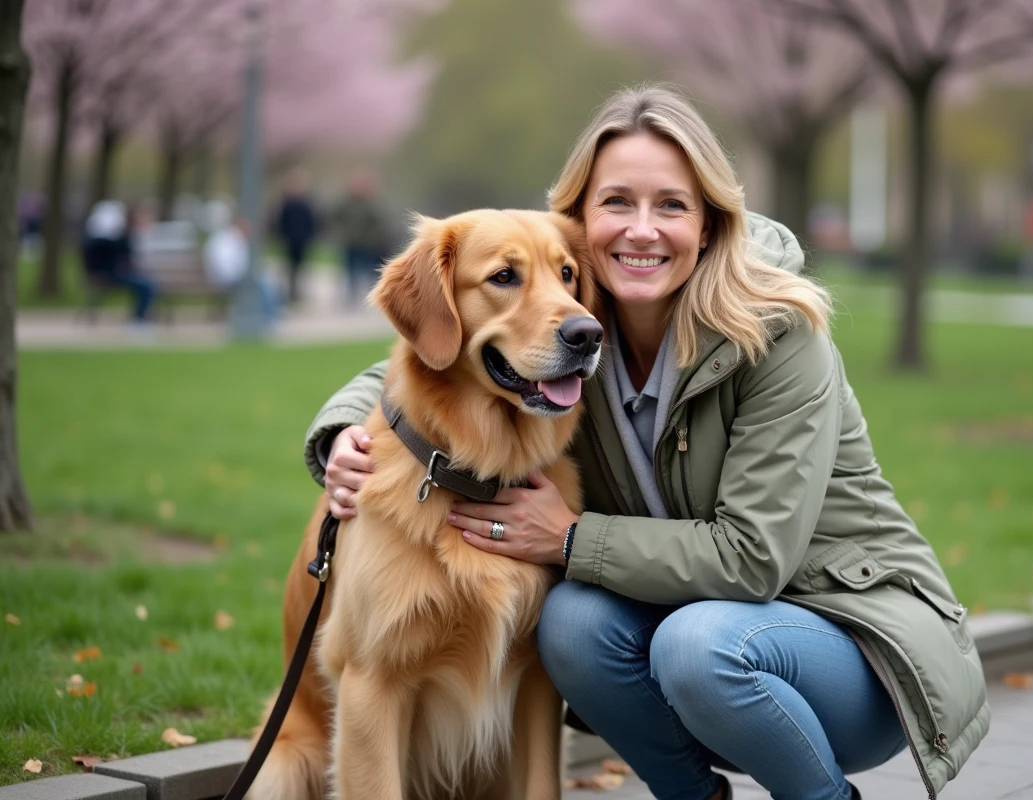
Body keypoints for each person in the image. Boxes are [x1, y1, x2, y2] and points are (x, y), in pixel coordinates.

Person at [302, 86, 988, 800]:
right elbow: (438, 354)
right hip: (697, 623)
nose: (641, 230)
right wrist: (342, 432)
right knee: (569, 624)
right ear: (580, 220)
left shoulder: (782, 336)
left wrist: (570, 541)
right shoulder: (573, 329)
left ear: (709, 222)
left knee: (698, 648)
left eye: (670, 205)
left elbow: (752, 560)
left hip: (852, 645)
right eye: (617, 203)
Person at [81, 200, 156, 325]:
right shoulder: (104, 241)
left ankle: (140, 317)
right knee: (146, 285)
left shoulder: (102, 239)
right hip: (109, 275)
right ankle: (139, 319)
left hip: (112, 274)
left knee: (146, 283)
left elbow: (126, 258)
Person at [330, 170, 389, 308]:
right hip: (350, 243)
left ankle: (373, 298)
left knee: (369, 271)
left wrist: (376, 238)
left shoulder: (372, 204)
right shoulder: (345, 203)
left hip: (368, 245)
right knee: (351, 271)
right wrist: (340, 232)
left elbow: (380, 223)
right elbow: (335, 217)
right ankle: (351, 298)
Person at [274, 168, 318, 306]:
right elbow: (280, 222)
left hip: (302, 240)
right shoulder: (286, 204)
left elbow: (312, 222)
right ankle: (290, 292)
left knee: (300, 267)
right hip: (289, 240)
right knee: (290, 267)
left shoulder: (306, 203)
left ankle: (297, 291)